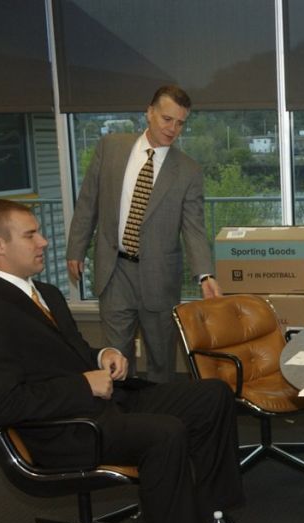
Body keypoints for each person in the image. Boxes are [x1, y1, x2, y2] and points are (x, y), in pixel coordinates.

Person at [0, 199, 274, 523]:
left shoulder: (47, 294)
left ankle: (213, 517)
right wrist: (83, 386)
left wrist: (101, 357)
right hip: (63, 430)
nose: (44, 241)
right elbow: (4, 404)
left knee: (211, 396)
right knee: (165, 433)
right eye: (31, 234)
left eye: (39, 232)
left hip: (100, 405)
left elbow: (71, 350)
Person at [66, 84, 218, 382]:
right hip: (114, 270)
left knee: (161, 362)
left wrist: (205, 275)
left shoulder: (188, 171)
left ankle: (161, 421)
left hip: (159, 278)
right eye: (166, 119)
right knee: (116, 359)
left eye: (180, 123)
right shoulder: (110, 147)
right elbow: (88, 201)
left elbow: (194, 228)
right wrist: (76, 248)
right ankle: (122, 419)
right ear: (149, 113)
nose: (173, 128)